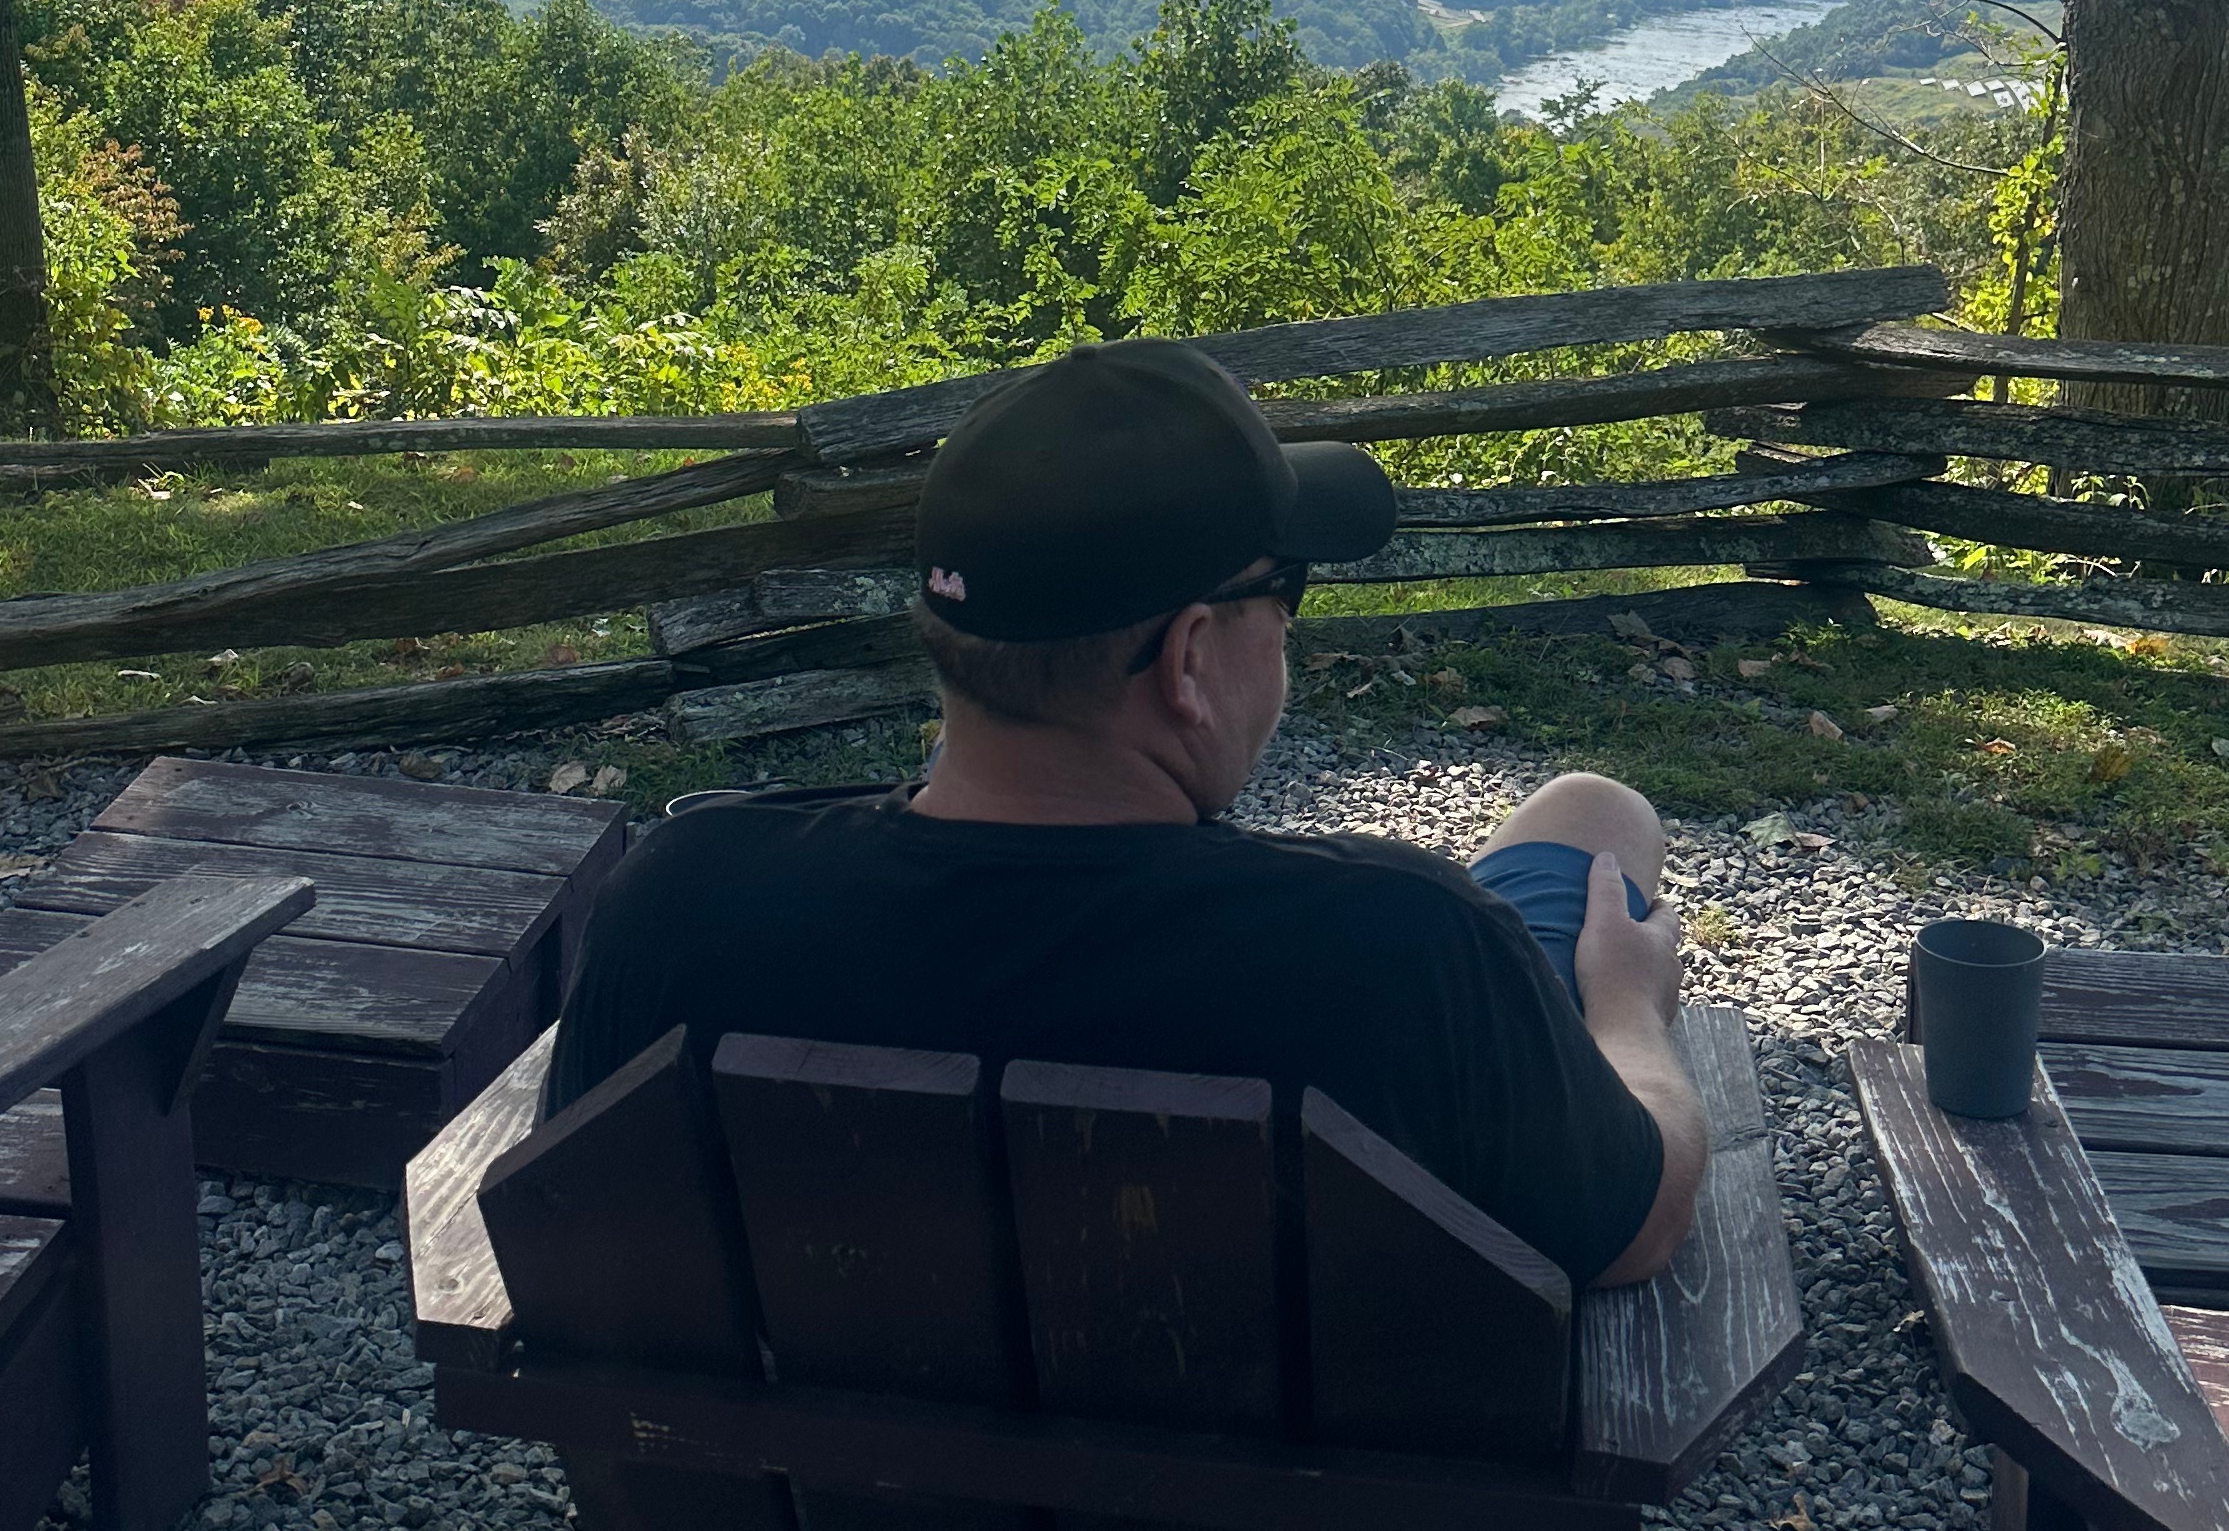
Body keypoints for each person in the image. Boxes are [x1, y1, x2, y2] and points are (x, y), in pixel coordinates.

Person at [549, 339, 1712, 1283]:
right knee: (1593, 819)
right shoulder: (1411, 951)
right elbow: (1640, 1228)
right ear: (1187, 660)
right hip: (1280, 1512)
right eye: (1286, 593)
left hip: (806, 1508)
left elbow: (580, 1215)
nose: (1289, 631)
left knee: (1589, 811)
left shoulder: (679, 900)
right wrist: (1626, 1012)